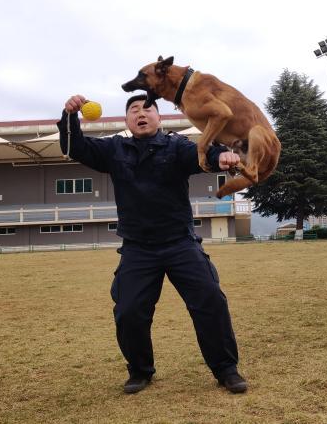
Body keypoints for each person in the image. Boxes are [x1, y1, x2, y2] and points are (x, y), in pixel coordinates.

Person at [57, 93, 247, 394]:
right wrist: (70, 116)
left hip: (180, 243)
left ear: (159, 118)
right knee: (129, 310)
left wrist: (221, 156)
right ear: (127, 120)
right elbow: (74, 147)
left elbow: (204, 155)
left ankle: (226, 370)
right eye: (134, 110)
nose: (140, 113)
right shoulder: (114, 149)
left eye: (147, 108)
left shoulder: (176, 146)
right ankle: (140, 371)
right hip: (138, 247)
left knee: (210, 300)